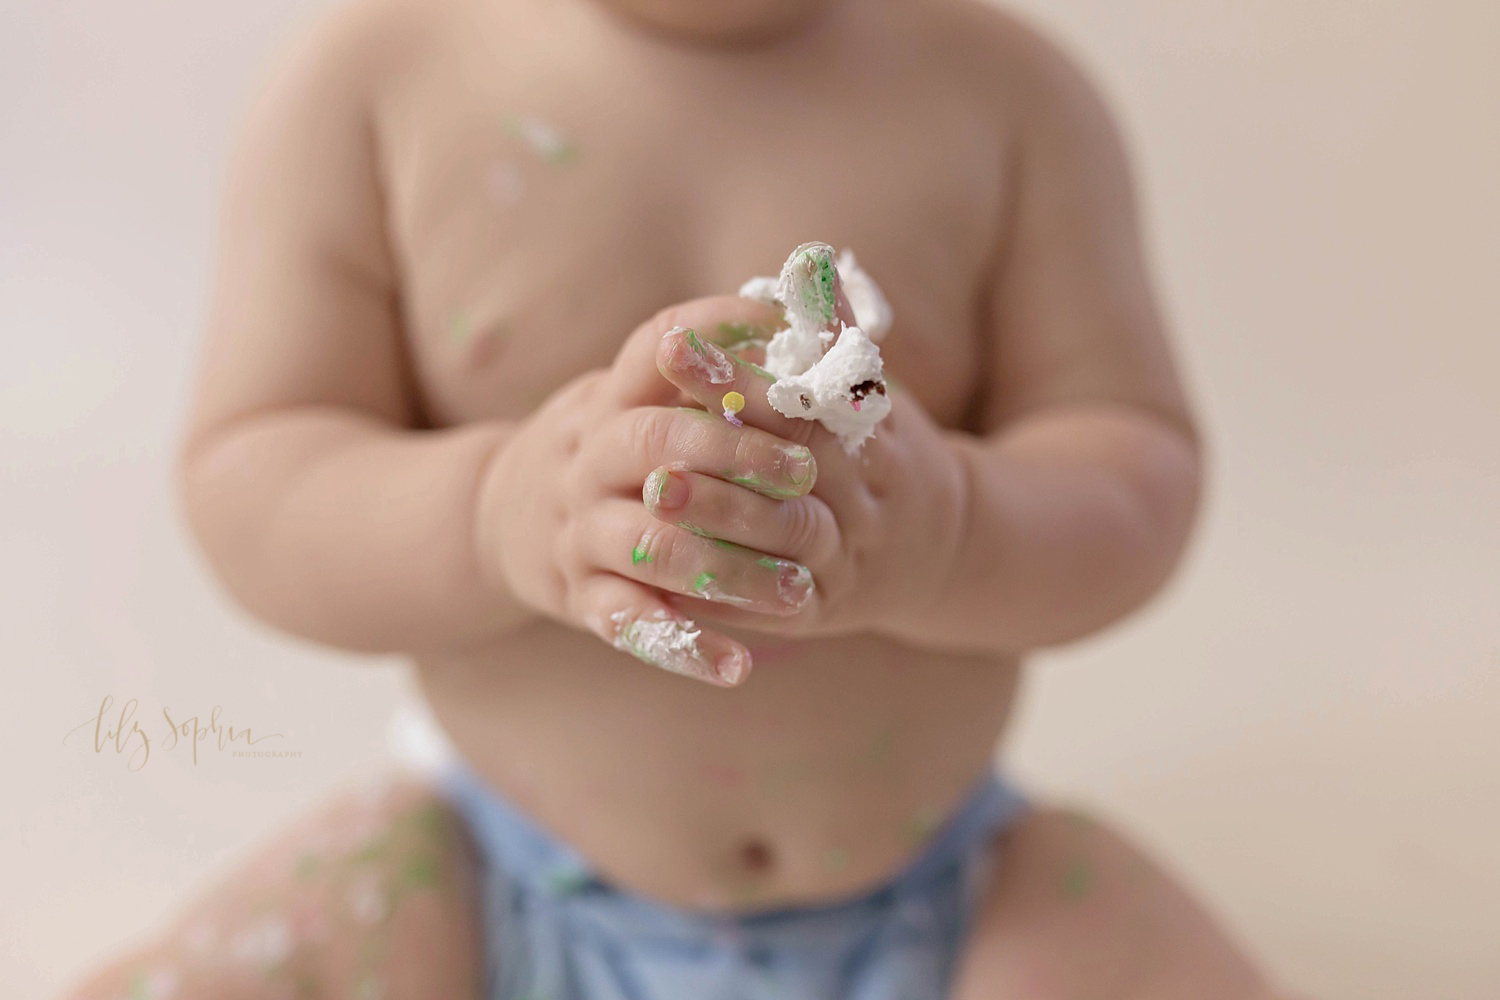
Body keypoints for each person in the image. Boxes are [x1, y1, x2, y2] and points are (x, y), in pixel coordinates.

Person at [66, 0, 1289, 996]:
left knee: (1105, 921)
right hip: (494, 883)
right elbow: (256, 480)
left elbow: (1135, 472)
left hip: (950, 896)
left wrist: (956, 526)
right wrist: (499, 512)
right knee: (293, 935)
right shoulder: (373, 83)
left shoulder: (1009, 96)